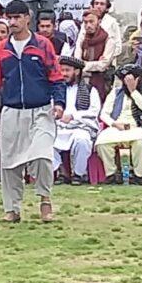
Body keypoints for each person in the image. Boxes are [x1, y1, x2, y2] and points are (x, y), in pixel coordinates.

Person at [0, 0, 65, 224]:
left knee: (43, 156)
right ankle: (12, 209)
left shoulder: (43, 45)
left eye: (17, 17)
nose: (13, 22)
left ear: (28, 18)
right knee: (10, 163)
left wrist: (59, 103)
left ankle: (45, 201)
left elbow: (56, 77)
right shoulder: (1, 49)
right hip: (12, 112)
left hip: (41, 110)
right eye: (10, 18)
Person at [96, 63, 142, 185]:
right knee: (101, 142)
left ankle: (138, 175)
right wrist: (113, 124)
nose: (126, 82)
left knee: (140, 141)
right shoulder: (116, 92)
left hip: (136, 126)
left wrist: (133, 91)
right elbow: (103, 114)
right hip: (117, 127)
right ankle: (111, 174)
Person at [51, 57, 100, 186]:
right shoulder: (56, 90)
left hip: (81, 126)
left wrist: (73, 116)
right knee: (44, 140)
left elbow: (94, 112)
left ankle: (78, 174)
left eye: (67, 70)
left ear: (77, 72)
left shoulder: (90, 90)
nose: (64, 74)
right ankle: (62, 171)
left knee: (82, 140)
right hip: (58, 126)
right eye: (61, 70)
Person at [76, 9, 116, 97]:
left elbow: (102, 65)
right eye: (85, 22)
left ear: (99, 21)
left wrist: (83, 64)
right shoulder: (82, 38)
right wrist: (94, 64)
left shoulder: (108, 40)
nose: (88, 25)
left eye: (91, 22)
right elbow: (76, 61)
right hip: (81, 81)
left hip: (101, 82)